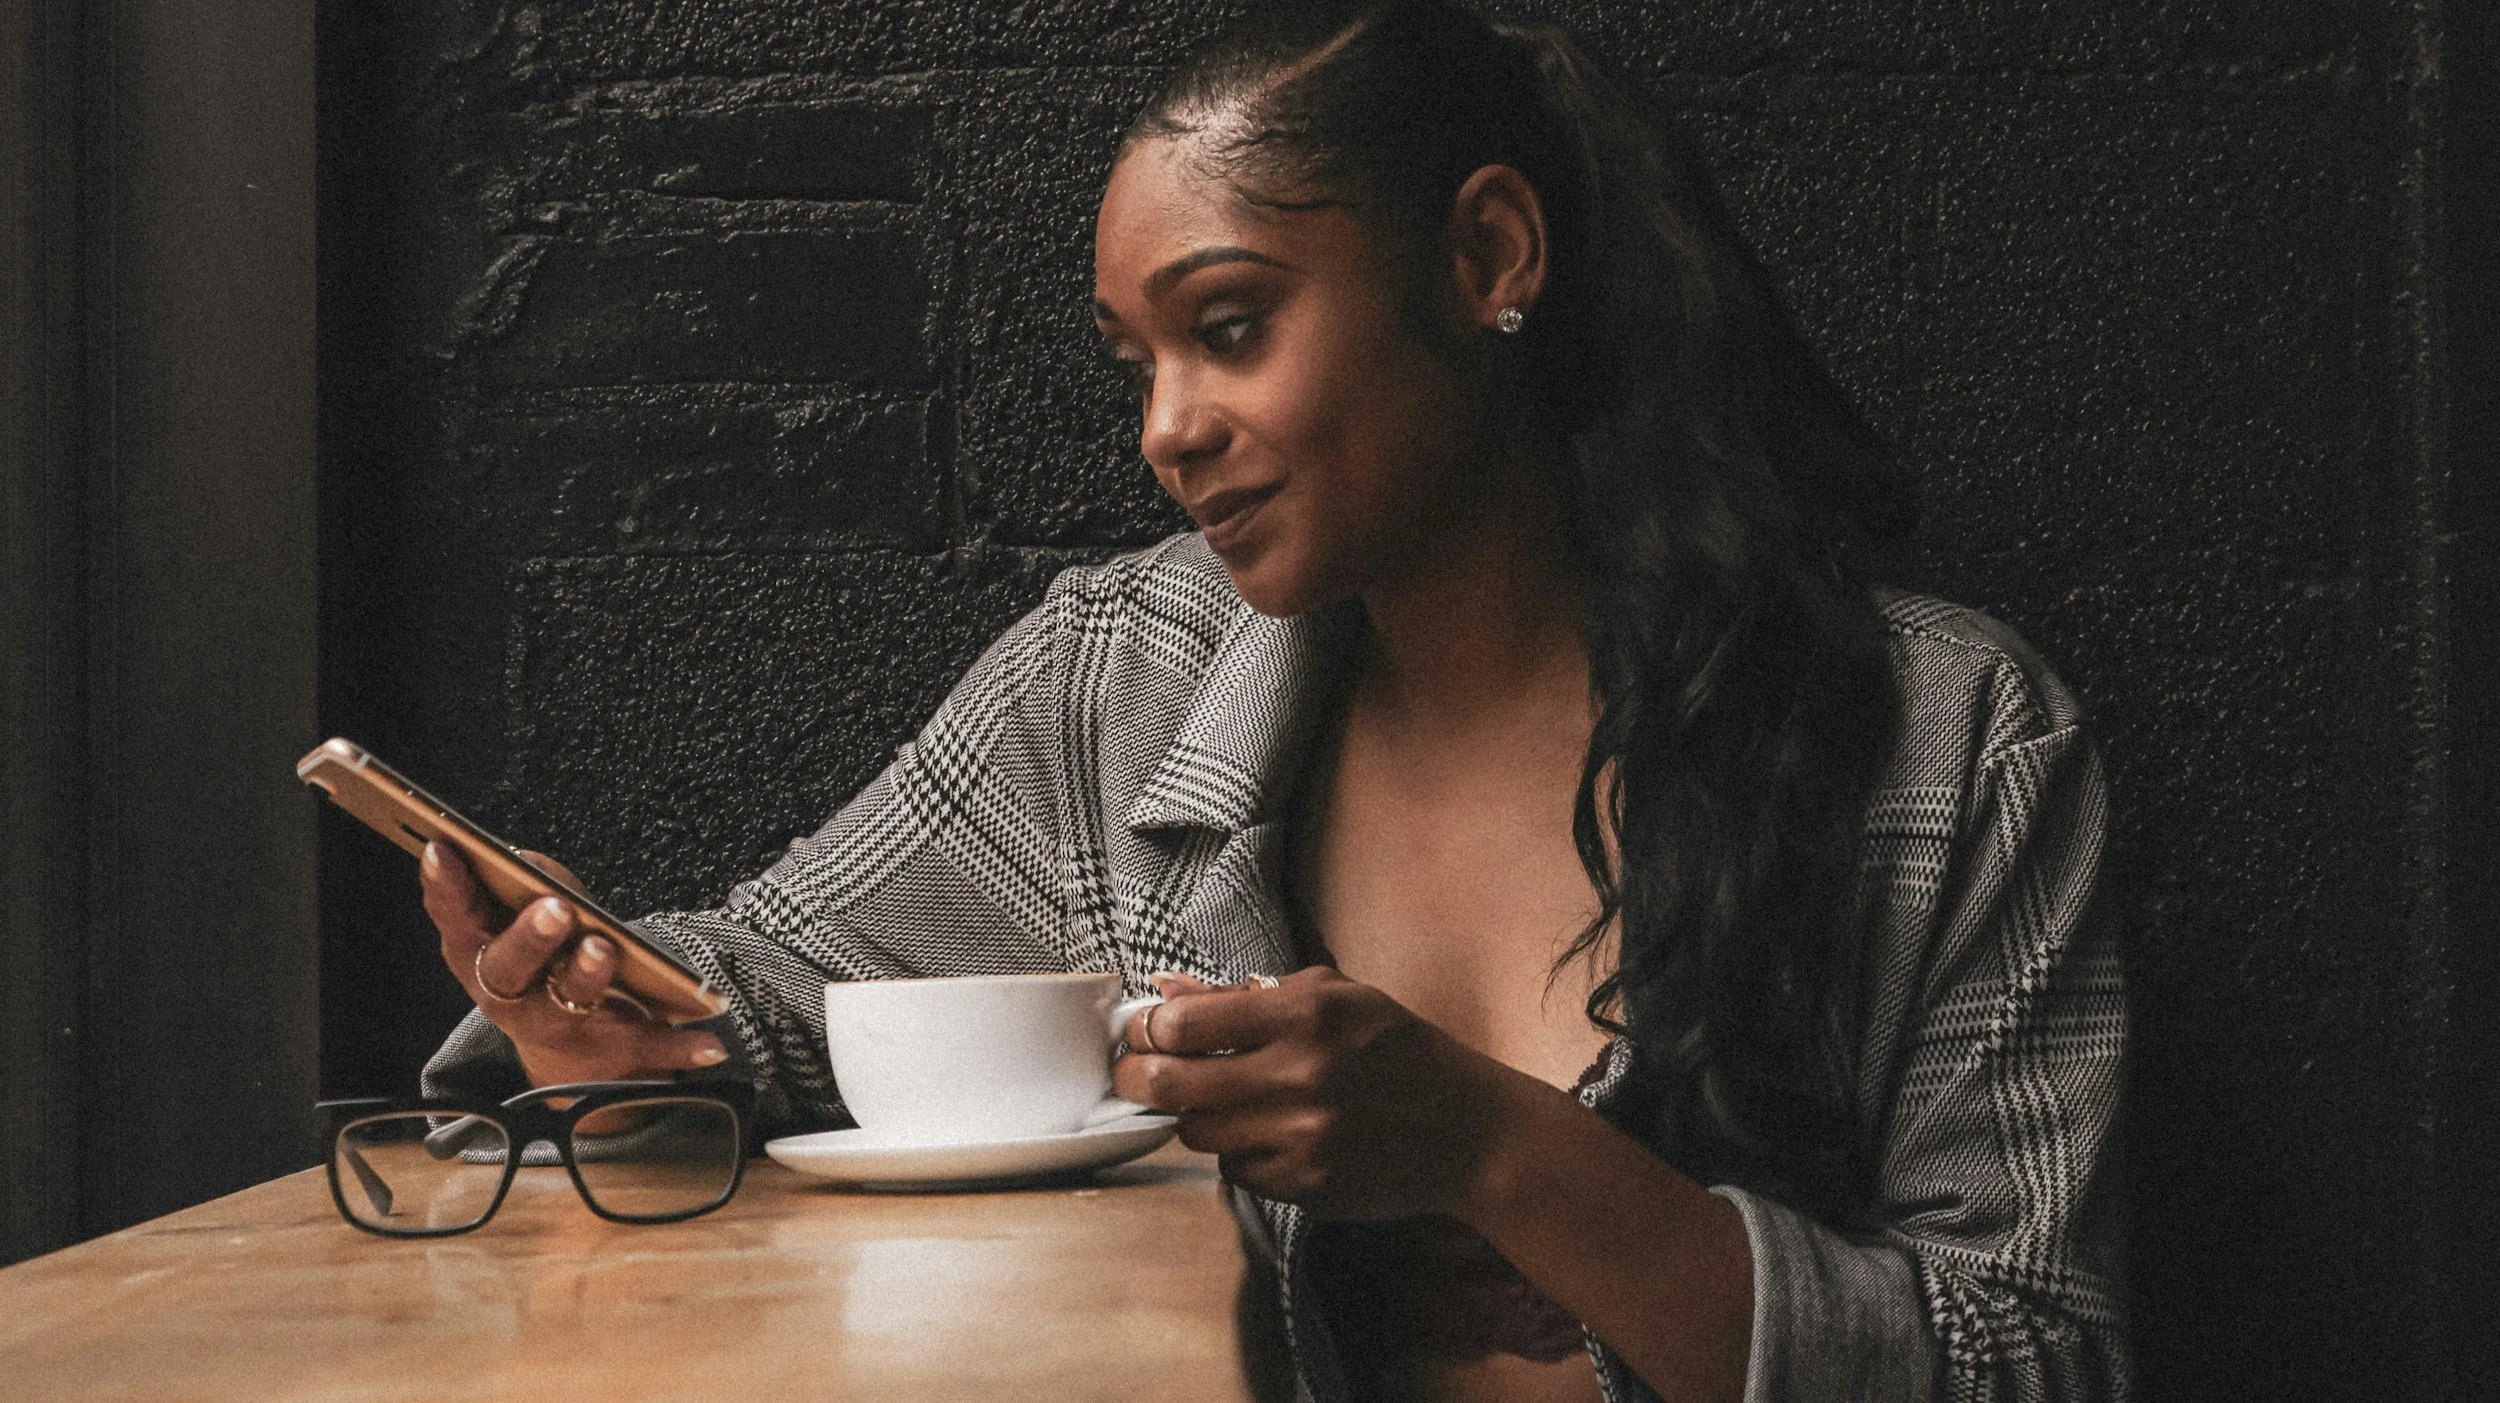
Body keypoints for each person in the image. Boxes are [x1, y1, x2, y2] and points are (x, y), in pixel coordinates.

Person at [415, 2, 2128, 1399]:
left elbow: (2035, 1361)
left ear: (1488, 252)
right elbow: (782, 987)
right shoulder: (1117, 684)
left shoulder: (1944, 742)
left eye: (1228, 327)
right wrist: (627, 1022)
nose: (1166, 427)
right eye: (1136, 360)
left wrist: (1486, 1145)